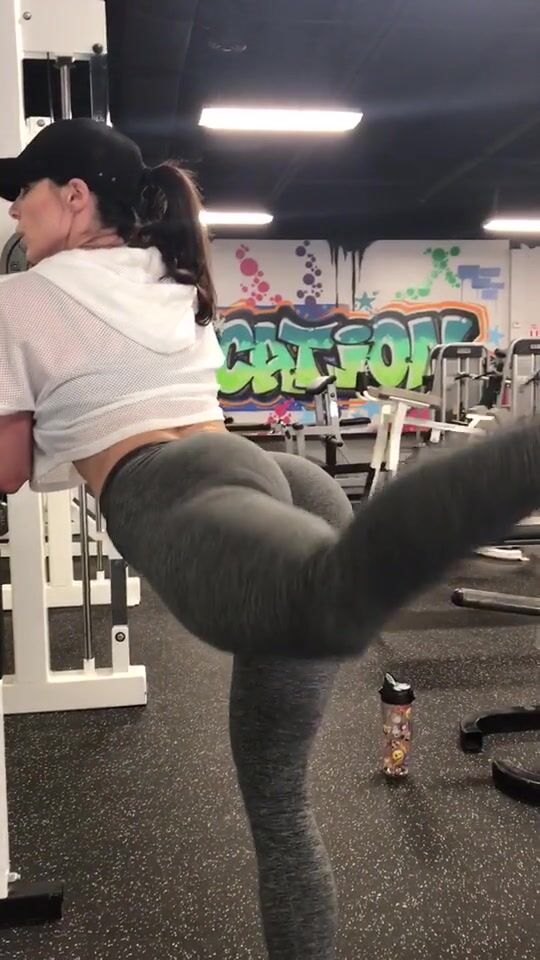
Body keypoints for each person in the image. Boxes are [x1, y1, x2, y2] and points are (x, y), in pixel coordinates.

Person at [0, 118, 539, 959]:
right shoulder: (171, 274)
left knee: (330, 607)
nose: (12, 213)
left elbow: (9, 468)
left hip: (174, 486)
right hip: (282, 479)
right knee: (280, 805)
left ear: (73, 197)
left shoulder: (21, 298)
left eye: (21, 195)